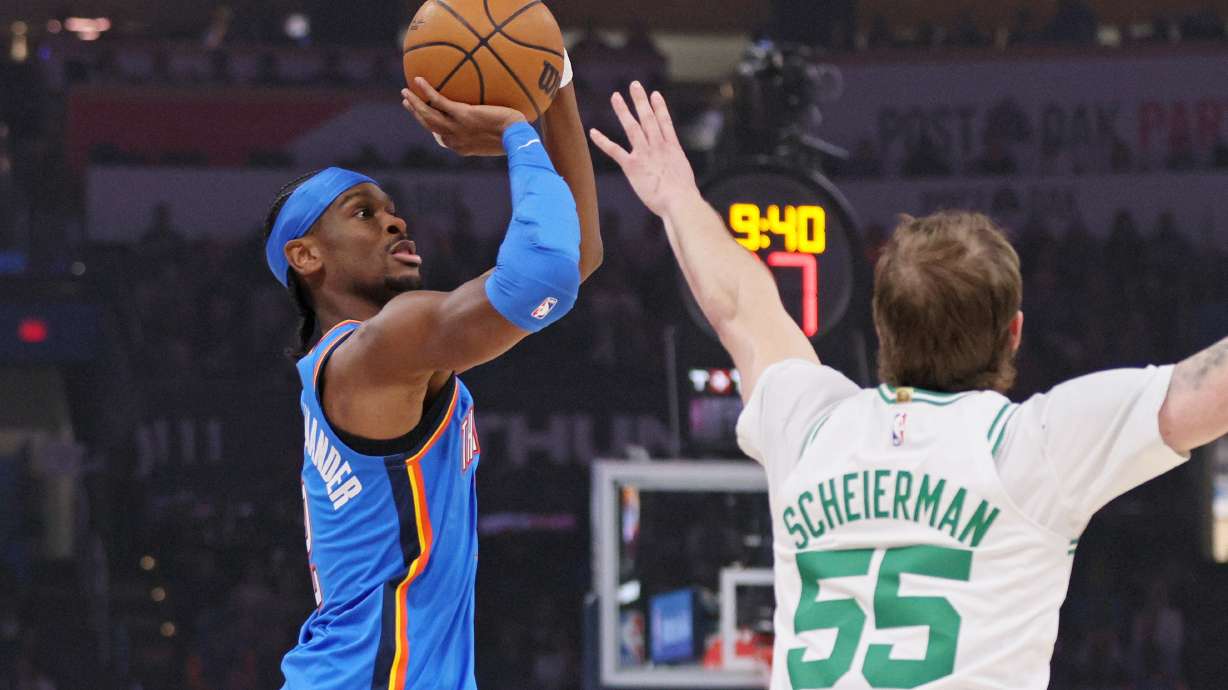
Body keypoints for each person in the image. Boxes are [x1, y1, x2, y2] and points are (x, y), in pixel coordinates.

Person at [590, 81, 1227, 689]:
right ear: (1013, 333)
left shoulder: (812, 429)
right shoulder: (1031, 448)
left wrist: (678, 198)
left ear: (881, 324)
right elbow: (1205, 393)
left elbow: (739, 303)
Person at [269, 65, 601, 689]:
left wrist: (555, 81)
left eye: (393, 211)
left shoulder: (370, 357)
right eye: (363, 213)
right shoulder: (377, 348)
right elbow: (545, 274)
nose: (395, 223)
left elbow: (574, 256)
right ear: (305, 255)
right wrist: (516, 133)